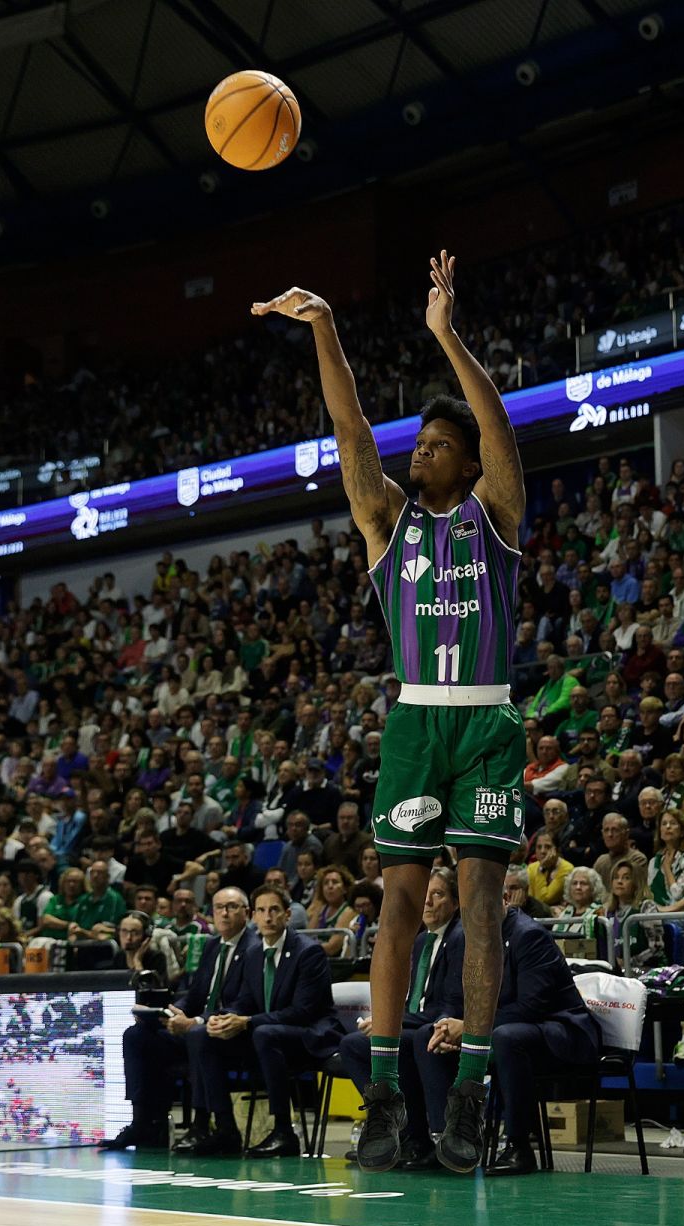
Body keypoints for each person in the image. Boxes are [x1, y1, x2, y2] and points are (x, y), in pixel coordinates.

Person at [255, 250, 527, 1174]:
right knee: (399, 904)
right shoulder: (386, 520)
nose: (423, 453)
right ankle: (381, 1100)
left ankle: (473, 1095)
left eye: (438, 447)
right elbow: (350, 425)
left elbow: (497, 430)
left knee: (483, 901)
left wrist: (446, 337)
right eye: (421, 446)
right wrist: (327, 326)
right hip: (415, 723)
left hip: (486, 722)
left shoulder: (495, 515)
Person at [415, 905, 600, 1176]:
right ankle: (449, 1139)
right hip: (499, 1029)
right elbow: (452, 997)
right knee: (426, 1035)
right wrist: (445, 1024)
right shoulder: (468, 938)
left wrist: (468, 1027)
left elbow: (531, 1006)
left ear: (502, 898)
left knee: (507, 1038)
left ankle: (519, 1146)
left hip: (556, 1031)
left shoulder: (529, 935)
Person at [107, 886, 256, 1154]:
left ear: (247, 912)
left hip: (232, 1034)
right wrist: (172, 1010)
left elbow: (245, 1002)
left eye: (231, 907)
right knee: (137, 1034)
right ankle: (143, 1122)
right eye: (219, 907)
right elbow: (196, 994)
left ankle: (211, 1127)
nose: (224, 913)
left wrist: (196, 1020)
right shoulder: (212, 945)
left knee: (198, 1034)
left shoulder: (254, 947)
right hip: (200, 1029)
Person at [204, 885, 346, 1157]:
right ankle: (223, 1128)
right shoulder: (254, 954)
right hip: (267, 1035)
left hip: (309, 1036)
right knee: (204, 1036)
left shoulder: (309, 952)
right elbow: (244, 1001)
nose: (267, 917)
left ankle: (284, 1131)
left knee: (264, 1034)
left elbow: (303, 1011)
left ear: (287, 915)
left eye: (274, 910)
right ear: (253, 916)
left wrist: (246, 1021)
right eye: (261, 910)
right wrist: (220, 1019)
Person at [336, 869, 463, 1169]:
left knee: (409, 1040)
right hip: (419, 1026)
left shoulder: (461, 938)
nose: (428, 902)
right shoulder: (421, 941)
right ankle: (394, 1128)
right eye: (425, 895)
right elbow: (411, 1000)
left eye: (438, 894)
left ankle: (426, 1137)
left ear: (456, 903)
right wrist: (385, 1022)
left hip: (444, 1029)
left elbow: (451, 1005)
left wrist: (395, 1023)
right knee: (354, 1044)